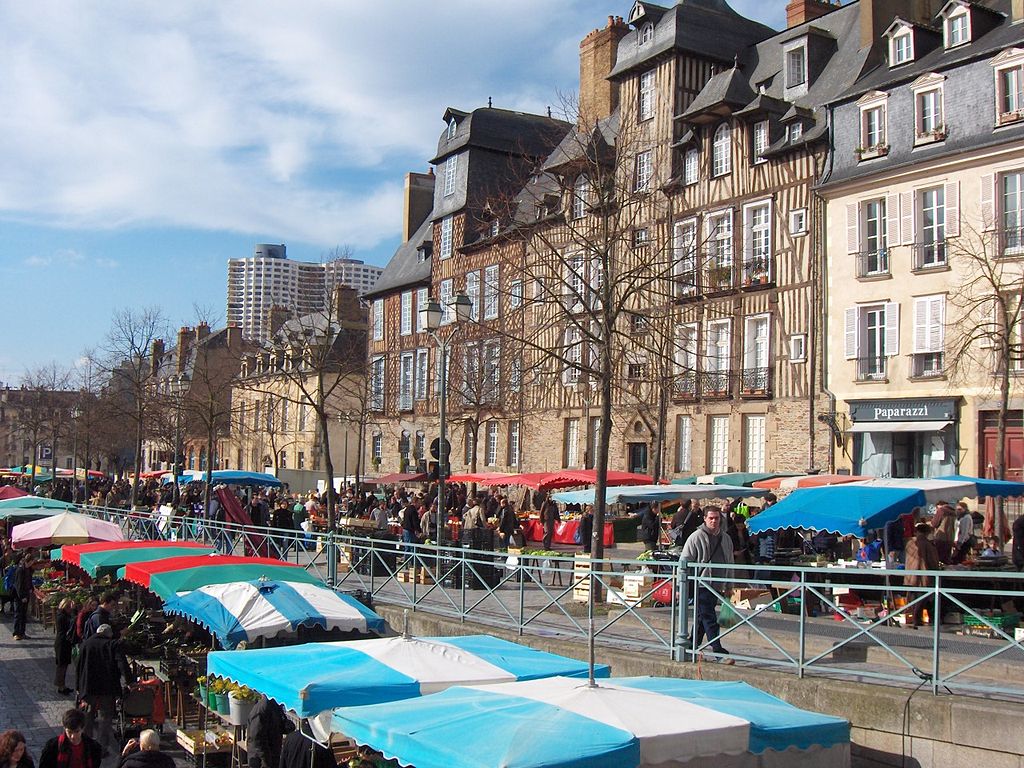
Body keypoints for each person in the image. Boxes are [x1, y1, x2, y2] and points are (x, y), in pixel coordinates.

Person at [680, 506, 735, 663]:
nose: (714, 521)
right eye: (710, 518)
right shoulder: (696, 537)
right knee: (709, 618)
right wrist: (681, 586)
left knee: (701, 620)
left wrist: (729, 585)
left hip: (718, 585)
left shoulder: (726, 538)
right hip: (701, 584)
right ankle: (719, 652)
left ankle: (690, 648)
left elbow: (730, 562)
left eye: (716, 518)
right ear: (704, 518)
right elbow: (684, 561)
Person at [75, 624, 134, 757]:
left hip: (89, 688)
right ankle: (101, 748)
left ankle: (86, 747)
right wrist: (130, 681)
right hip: (107, 688)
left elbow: (78, 667)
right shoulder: (113, 645)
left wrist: (78, 688)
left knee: (88, 718)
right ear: (109, 635)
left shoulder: (86, 644)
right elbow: (122, 664)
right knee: (105, 719)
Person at [903, 522, 941, 628]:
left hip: (910, 576)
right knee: (923, 598)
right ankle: (918, 618)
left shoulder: (910, 543)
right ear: (927, 532)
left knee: (914, 598)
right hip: (923, 576)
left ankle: (913, 618)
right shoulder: (928, 545)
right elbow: (933, 561)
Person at [246, 694, 294, 768]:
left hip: (272, 753)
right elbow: (256, 738)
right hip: (261, 758)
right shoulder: (262, 708)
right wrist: (265, 761)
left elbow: (278, 726)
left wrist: (287, 726)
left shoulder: (275, 706)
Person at [54, 598, 77, 695]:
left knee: (63, 665)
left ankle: (61, 685)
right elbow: (71, 622)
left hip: (64, 642)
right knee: (62, 665)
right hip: (62, 643)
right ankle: (60, 685)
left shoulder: (62, 615)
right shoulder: (62, 616)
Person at [11, 554, 34, 641]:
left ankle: (22, 632)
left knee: (24, 615)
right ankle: (16, 633)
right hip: (19, 596)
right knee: (18, 614)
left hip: (26, 594)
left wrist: (31, 588)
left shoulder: (28, 569)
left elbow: (29, 580)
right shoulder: (20, 570)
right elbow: (18, 585)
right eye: (32, 562)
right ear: (29, 561)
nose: (33, 563)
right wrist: (22, 596)